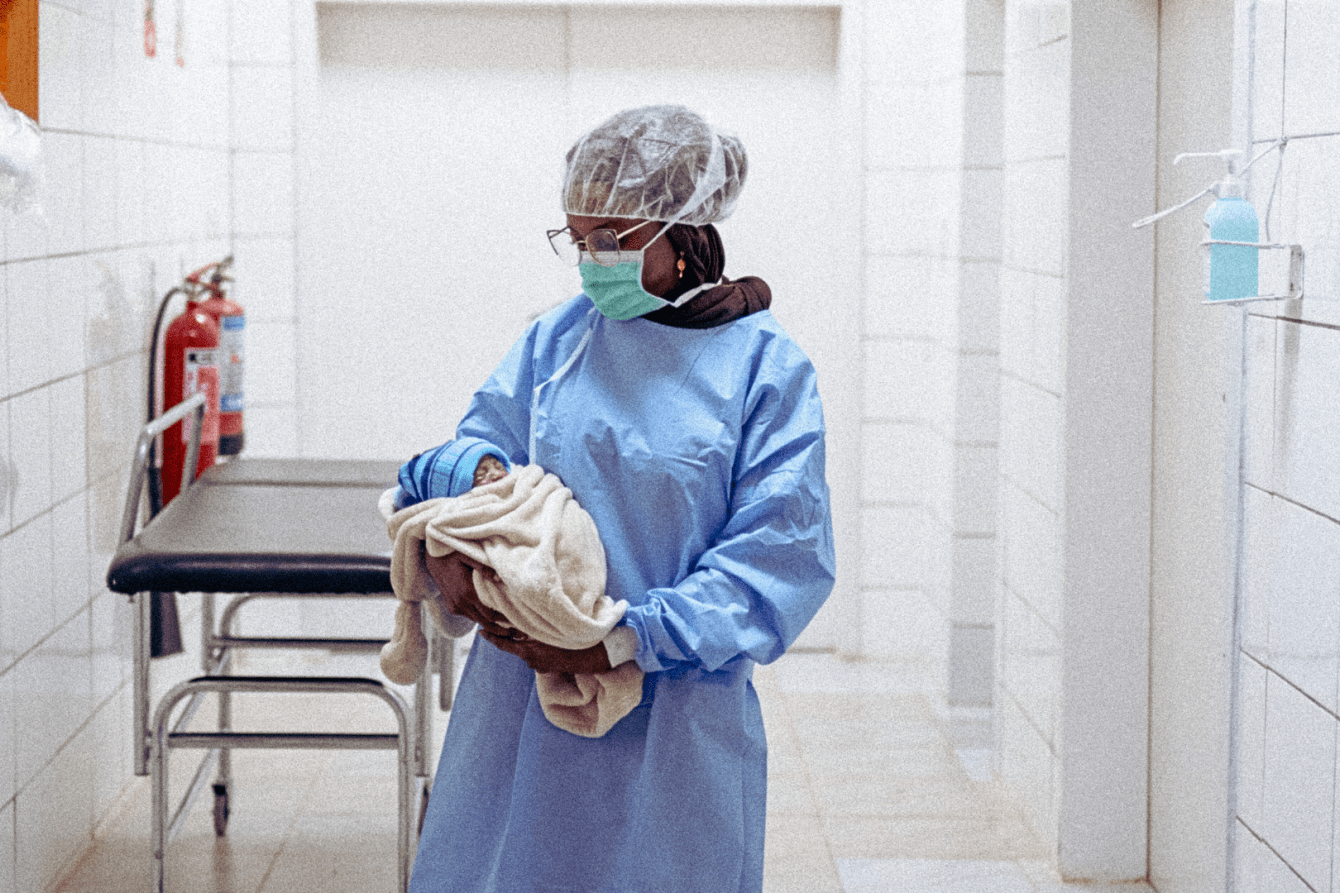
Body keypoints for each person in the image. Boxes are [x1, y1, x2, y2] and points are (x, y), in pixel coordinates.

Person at [408, 104, 836, 893]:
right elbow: (458, 456)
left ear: (689, 234)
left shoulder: (765, 370)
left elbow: (780, 557)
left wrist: (622, 640)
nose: (590, 262)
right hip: (522, 703)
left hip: (676, 718)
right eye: (578, 241)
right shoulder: (558, 340)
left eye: (613, 239)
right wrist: (459, 526)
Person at [378, 436, 643, 737]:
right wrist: (442, 549)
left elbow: (544, 501)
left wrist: (632, 641)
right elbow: (478, 438)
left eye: (495, 465)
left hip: (682, 672)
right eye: (479, 474)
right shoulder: (519, 393)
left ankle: (576, 618)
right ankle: (570, 620)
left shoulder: (531, 485)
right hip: (521, 659)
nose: (493, 474)